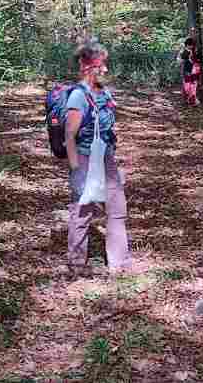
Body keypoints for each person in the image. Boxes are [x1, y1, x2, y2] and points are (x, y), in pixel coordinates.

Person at [65, 41, 131, 278]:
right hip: (84, 159)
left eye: (105, 65)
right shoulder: (77, 97)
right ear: (87, 67)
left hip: (106, 157)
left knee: (117, 208)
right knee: (82, 211)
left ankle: (120, 264)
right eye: (100, 65)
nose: (105, 70)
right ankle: (76, 264)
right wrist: (76, 171)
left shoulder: (104, 93)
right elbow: (69, 136)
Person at [178, 36, 202, 106]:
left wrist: (197, 62)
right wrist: (185, 59)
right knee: (187, 87)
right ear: (186, 45)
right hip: (187, 71)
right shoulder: (183, 51)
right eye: (189, 45)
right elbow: (179, 60)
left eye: (192, 45)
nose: (191, 47)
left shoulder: (195, 51)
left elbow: (200, 61)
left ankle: (193, 101)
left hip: (195, 71)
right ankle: (189, 100)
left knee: (194, 86)